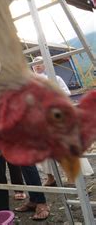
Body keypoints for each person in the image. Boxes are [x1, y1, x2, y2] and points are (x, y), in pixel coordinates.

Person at [32, 56, 94, 185]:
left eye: (40, 63)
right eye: (35, 64)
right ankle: (50, 177)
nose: (37, 65)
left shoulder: (55, 78)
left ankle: (73, 174)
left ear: (45, 64)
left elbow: (67, 93)